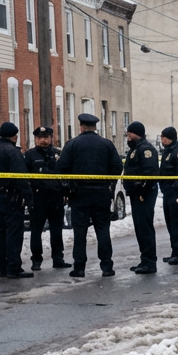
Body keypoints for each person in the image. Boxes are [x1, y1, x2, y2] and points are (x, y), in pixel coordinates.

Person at [56, 113, 123, 278]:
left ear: (81, 126)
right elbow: (117, 166)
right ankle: (107, 266)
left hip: (80, 193)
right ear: (95, 127)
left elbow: (61, 168)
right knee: (103, 229)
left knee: (80, 231)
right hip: (101, 192)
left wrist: (68, 189)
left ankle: (79, 267)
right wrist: (108, 181)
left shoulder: (72, 144)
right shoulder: (106, 144)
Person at [0, 122, 34, 279]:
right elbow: (21, 177)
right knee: (13, 233)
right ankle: (13, 267)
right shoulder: (13, 152)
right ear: (15, 136)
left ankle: (0, 267)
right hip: (11, 197)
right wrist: (29, 197)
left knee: (0, 232)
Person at [23, 126, 70, 270]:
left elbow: (65, 174)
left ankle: (58, 259)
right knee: (36, 230)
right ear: (36, 139)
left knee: (57, 230)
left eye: (46, 137)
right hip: (38, 197)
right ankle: (36, 260)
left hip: (56, 197)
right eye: (40, 138)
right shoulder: (29, 155)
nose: (43, 140)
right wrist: (28, 197)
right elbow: (25, 177)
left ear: (51, 138)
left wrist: (65, 192)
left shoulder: (58, 154)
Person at [123, 121, 159, 274]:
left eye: (130, 133)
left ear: (137, 133)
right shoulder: (136, 149)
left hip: (143, 195)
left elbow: (149, 174)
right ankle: (145, 259)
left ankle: (150, 262)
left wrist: (141, 192)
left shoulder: (145, 150)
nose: (128, 136)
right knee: (140, 228)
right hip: (136, 195)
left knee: (145, 228)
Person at [157, 127, 178, 265]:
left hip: (176, 194)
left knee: (177, 225)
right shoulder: (168, 151)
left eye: (163, 137)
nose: (161, 139)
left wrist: (177, 193)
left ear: (169, 137)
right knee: (171, 225)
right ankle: (175, 252)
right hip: (168, 193)